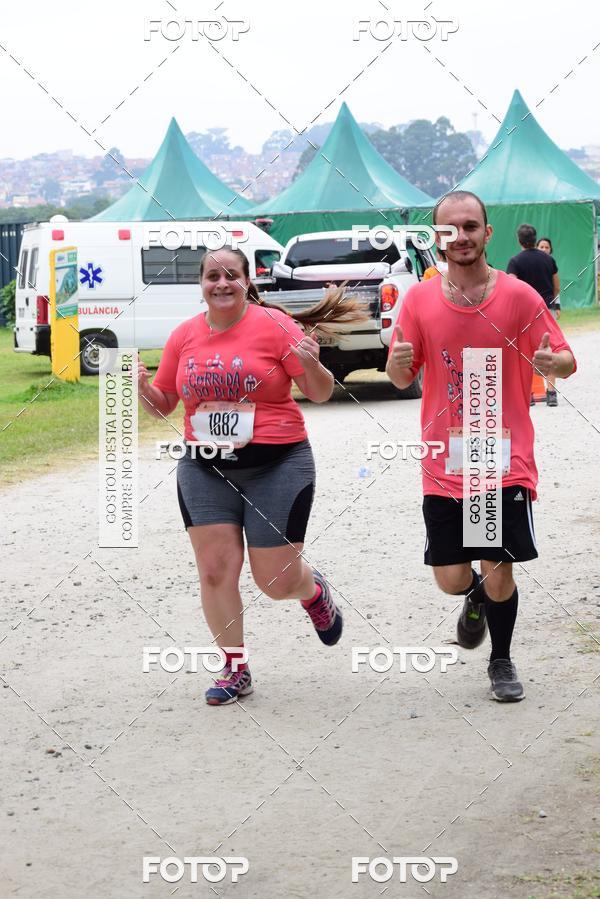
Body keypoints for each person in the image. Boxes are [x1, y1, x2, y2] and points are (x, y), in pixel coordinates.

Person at [138, 246, 366, 705]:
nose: (221, 284)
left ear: (247, 281)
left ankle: (312, 589)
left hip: (278, 464)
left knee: (275, 581)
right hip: (205, 469)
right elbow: (163, 402)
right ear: (200, 284)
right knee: (215, 570)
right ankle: (234, 668)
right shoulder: (183, 336)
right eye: (211, 276)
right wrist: (143, 389)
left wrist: (314, 362)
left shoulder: (276, 327)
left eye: (231, 275)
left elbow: (319, 394)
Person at [386, 191, 576, 702]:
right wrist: (397, 362)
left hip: (501, 456)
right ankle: (470, 599)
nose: (462, 236)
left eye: (471, 226)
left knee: (498, 567)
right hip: (443, 461)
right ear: (437, 237)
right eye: (450, 228)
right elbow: (400, 376)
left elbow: (564, 359)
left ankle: (501, 659)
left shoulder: (517, 297)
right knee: (451, 579)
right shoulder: (420, 300)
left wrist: (552, 365)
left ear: (487, 233)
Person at [507, 225, 561, 406]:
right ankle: (551, 393)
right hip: (547, 308)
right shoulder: (548, 259)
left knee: (525, 351)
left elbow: (512, 288)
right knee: (550, 349)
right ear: (534, 238)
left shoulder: (515, 261)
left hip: (524, 313)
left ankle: (528, 394)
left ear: (519, 240)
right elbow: (557, 286)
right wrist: (551, 302)